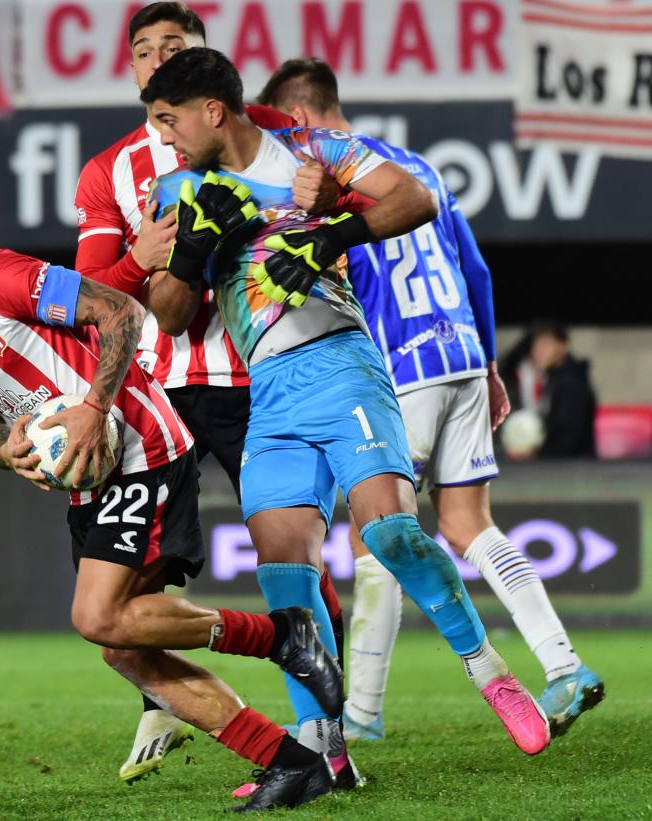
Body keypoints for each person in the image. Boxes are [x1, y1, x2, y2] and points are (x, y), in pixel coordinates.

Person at [0, 175, 345, 812]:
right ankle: (291, 761)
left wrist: (93, 406)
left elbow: (121, 312)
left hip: (142, 451)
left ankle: (282, 637)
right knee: (124, 649)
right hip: (93, 480)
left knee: (96, 618)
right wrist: (4, 451)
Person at [141, 48, 551, 782]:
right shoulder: (177, 188)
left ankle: (490, 671)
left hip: (343, 368)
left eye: (169, 121)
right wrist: (191, 260)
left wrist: (332, 232)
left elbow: (414, 197)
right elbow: (168, 316)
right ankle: (326, 750)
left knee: (392, 533)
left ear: (212, 110)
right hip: (268, 391)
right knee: (286, 576)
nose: (163, 137)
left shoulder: (312, 153)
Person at [257, 58, 604, 741]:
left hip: (400, 365)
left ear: (296, 118)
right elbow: (474, 266)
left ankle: (360, 711)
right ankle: (564, 664)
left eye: (278, 127)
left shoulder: (328, 180)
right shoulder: (420, 169)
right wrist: (491, 365)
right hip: (463, 356)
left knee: (370, 530)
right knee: (470, 523)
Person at [72, 1, 347, 783]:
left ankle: (327, 740)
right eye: (145, 50)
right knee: (128, 591)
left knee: (291, 560)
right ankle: (165, 701)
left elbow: (338, 197)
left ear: (206, 68)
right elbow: (94, 292)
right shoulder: (110, 171)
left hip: (264, 380)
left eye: (175, 48)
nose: (158, 60)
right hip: (158, 396)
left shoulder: (268, 133)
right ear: (130, 68)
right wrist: (146, 255)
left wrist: (323, 196)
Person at [501, 321, 598, 459]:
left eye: (545, 344)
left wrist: (534, 455)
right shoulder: (553, 380)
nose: (538, 351)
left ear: (563, 346)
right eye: (536, 345)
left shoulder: (571, 385)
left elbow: (567, 441)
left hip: (574, 471)